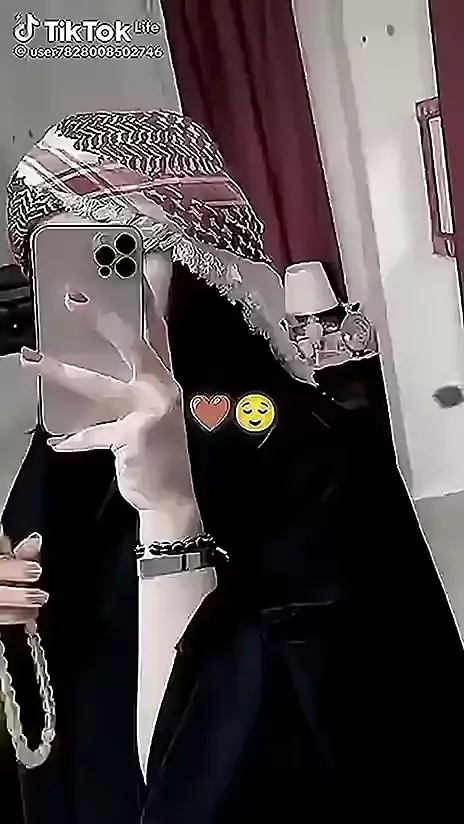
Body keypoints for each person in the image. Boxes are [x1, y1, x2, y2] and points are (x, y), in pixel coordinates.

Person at [1, 109, 464, 823]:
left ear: (196, 264)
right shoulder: (62, 449)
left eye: (113, 255)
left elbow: (327, 750)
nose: (81, 299)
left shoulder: (314, 451)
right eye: (52, 268)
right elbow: (47, 703)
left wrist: (170, 518)